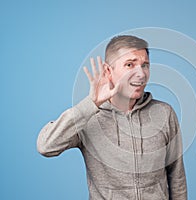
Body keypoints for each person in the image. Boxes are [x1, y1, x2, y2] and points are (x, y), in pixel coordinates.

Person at [37, 35, 187, 200]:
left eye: (145, 65)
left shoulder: (164, 113)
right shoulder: (88, 118)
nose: (141, 74)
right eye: (130, 65)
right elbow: (46, 146)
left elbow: (177, 177)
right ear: (108, 71)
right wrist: (90, 103)